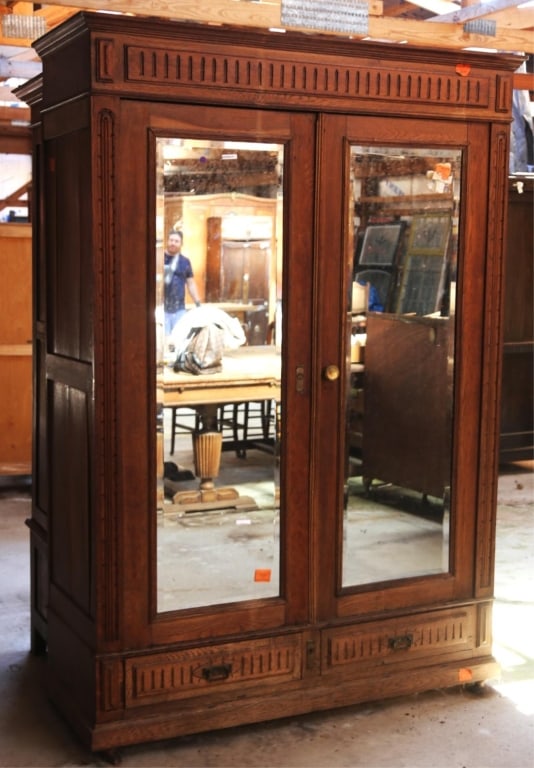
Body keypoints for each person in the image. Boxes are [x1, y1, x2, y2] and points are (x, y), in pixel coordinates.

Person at [163, 230, 201, 336]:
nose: (173, 243)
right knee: (162, 341)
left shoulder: (185, 261)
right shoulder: (159, 258)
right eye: (171, 240)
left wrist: (197, 303)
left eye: (176, 241)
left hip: (179, 309)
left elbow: (191, 283)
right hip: (161, 309)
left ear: (181, 244)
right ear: (167, 241)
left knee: (178, 340)